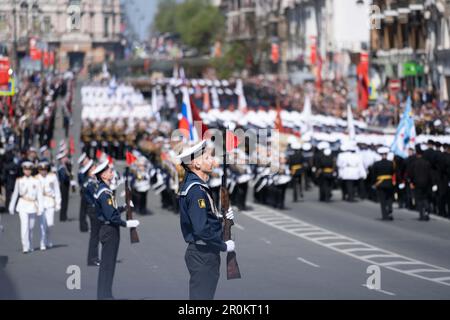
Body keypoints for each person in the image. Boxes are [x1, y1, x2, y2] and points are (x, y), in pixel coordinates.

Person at [177, 140, 235, 300]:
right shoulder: (196, 191)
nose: (213, 161)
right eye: (208, 158)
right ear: (196, 164)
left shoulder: (196, 186)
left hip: (203, 252)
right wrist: (223, 245)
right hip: (203, 253)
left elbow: (204, 218)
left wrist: (222, 219)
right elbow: (201, 228)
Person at [93, 160, 140, 300]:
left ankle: (106, 294)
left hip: (109, 229)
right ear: (102, 176)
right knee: (107, 265)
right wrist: (127, 224)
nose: (111, 173)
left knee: (110, 264)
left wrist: (124, 208)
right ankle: (103, 296)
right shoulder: (105, 193)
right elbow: (111, 216)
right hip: (109, 229)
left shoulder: (106, 190)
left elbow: (112, 211)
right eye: (109, 171)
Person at [9, 161, 44, 253]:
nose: (27, 171)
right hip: (23, 204)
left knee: (31, 227)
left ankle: (30, 244)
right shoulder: (19, 180)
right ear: (23, 170)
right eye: (25, 169)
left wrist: (41, 208)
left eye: (29, 169)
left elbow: (39, 195)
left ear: (31, 170)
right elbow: (15, 194)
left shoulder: (36, 181)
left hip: (32, 205)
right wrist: (11, 206)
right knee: (24, 226)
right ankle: (25, 246)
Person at [36, 161, 61, 250]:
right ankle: (42, 242)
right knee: (42, 224)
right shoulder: (36, 178)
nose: (43, 171)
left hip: (50, 202)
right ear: (38, 170)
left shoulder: (52, 177)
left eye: (45, 169)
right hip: (40, 203)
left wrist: (58, 203)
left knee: (49, 224)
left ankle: (49, 239)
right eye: (41, 170)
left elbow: (57, 190)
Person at [81, 159, 101, 266]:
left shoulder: (94, 181)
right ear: (89, 171)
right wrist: (94, 203)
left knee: (96, 235)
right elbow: (89, 196)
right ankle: (92, 258)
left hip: (95, 209)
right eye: (93, 168)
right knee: (95, 235)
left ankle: (94, 257)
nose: (95, 170)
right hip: (93, 210)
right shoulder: (89, 182)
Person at [372, 147, 395, 221]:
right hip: (389, 182)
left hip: (380, 183)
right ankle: (390, 209)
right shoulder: (391, 163)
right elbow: (393, 172)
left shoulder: (377, 164)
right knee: (389, 198)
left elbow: (374, 174)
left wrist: (374, 182)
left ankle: (385, 215)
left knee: (382, 200)